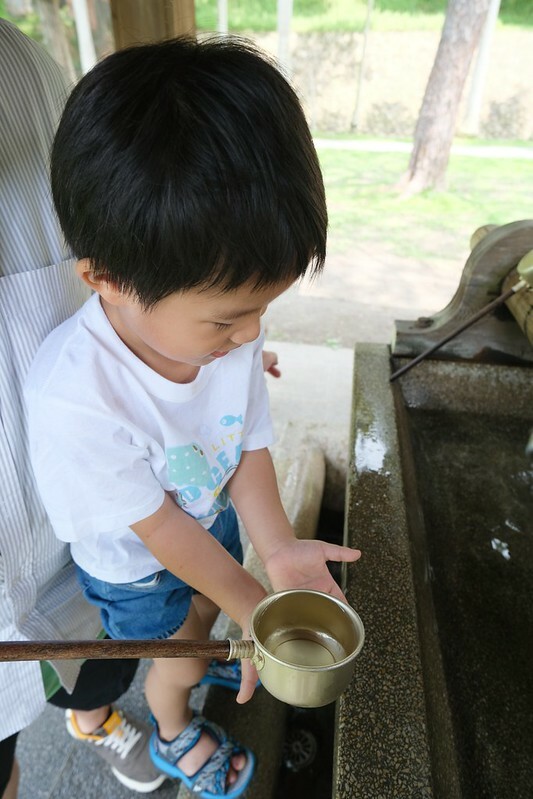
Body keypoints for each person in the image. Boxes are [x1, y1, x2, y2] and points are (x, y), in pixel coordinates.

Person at [25, 36, 361, 799]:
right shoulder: (78, 398)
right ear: (106, 280)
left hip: (205, 509)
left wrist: (272, 546)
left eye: (263, 310)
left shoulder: (218, 325)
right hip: (136, 562)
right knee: (184, 643)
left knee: (212, 604)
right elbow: (157, 527)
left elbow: (241, 436)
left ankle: (201, 642)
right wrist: (252, 599)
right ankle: (173, 727)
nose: (250, 336)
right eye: (228, 320)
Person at [0, 19, 166, 797]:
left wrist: (187, 357)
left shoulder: (26, 76)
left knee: (94, 647)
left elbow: (128, 291)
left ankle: (92, 718)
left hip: (75, 531)